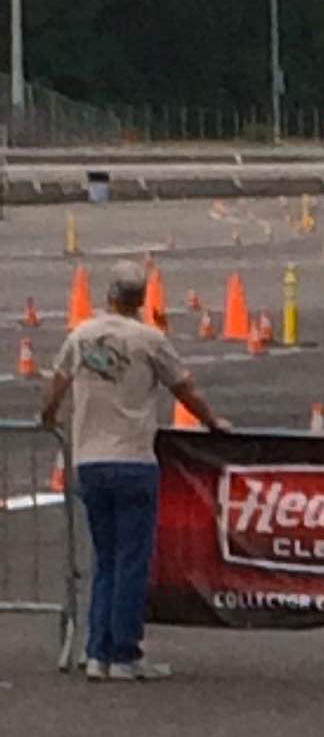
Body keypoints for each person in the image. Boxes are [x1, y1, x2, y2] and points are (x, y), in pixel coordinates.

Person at [36, 262, 228, 681]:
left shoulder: (81, 335)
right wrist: (214, 423)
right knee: (131, 561)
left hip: (90, 458)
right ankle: (124, 651)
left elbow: (56, 384)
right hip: (133, 458)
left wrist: (48, 417)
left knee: (104, 559)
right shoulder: (149, 340)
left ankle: (96, 651)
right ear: (141, 300)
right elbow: (185, 389)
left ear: (108, 295)